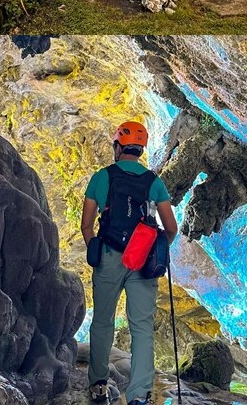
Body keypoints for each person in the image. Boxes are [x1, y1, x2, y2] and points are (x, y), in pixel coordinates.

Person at [81, 121, 178, 405]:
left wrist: (95, 249)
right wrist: (152, 253)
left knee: (102, 322)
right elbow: (170, 227)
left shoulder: (102, 177)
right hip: (142, 262)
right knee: (142, 328)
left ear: (118, 146)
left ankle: (99, 385)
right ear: (140, 149)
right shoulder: (153, 182)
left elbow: (87, 224)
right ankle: (139, 396)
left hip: (109, 257)